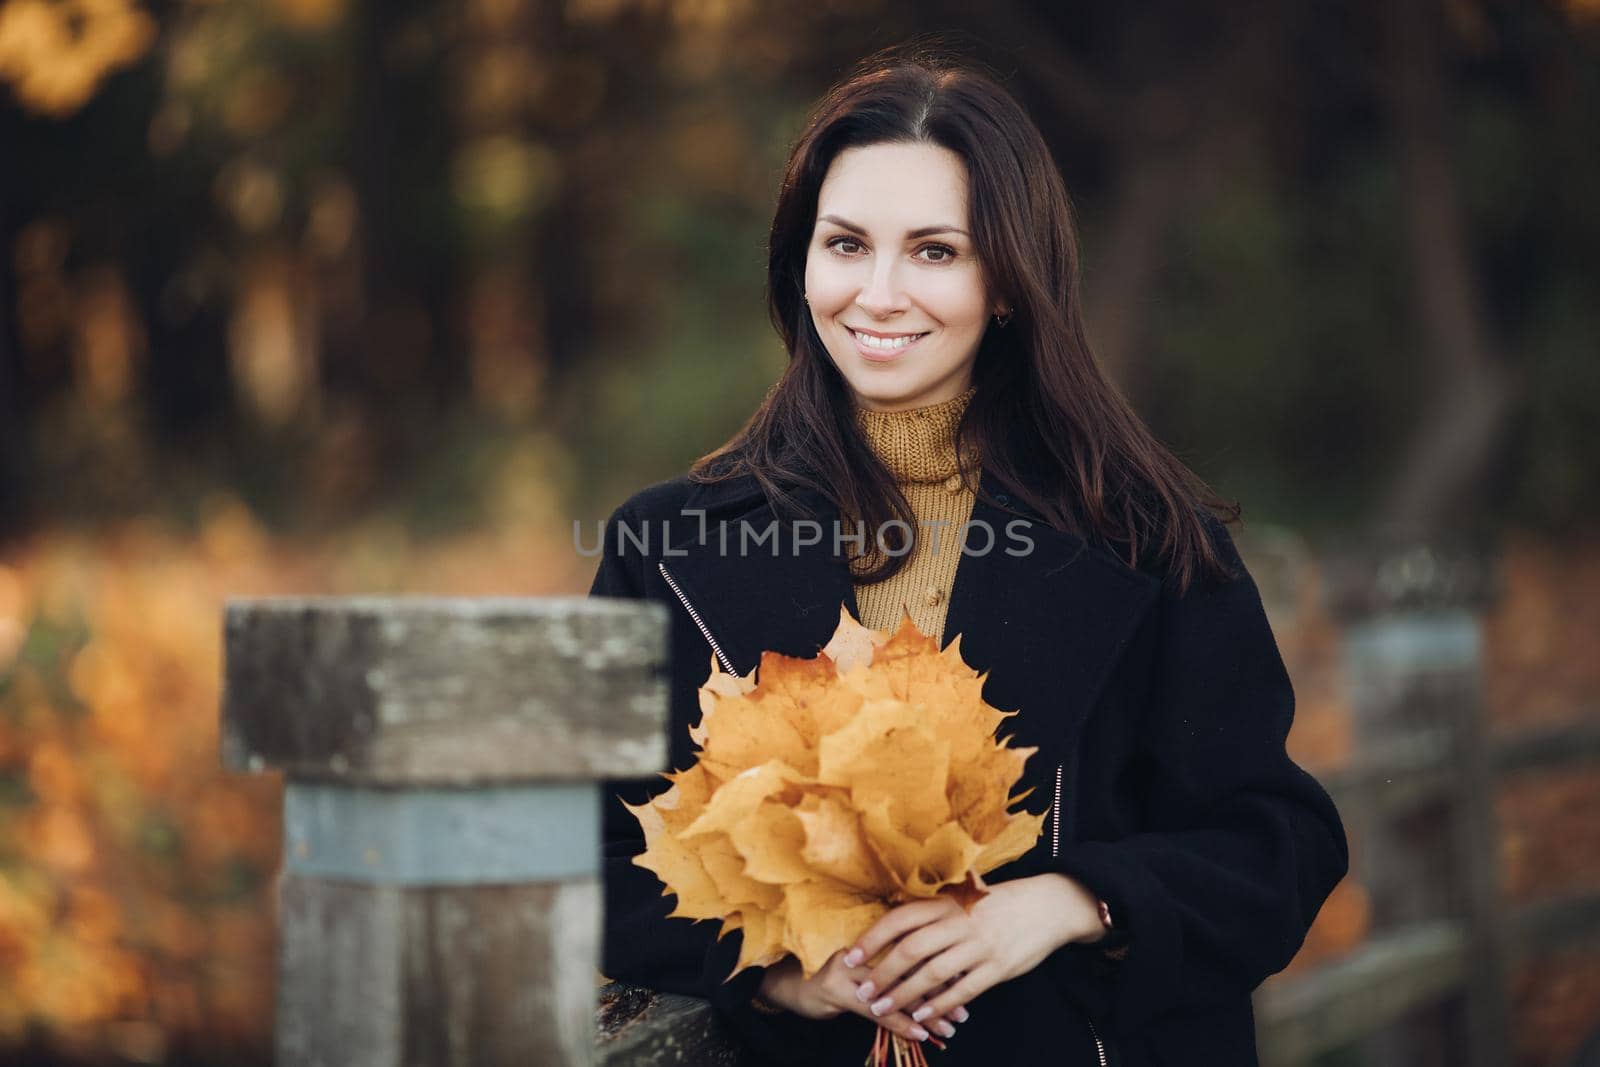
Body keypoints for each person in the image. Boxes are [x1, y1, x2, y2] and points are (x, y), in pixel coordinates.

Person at [589, 44, 1348, 1067]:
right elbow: (591, 857)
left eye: (935, 251)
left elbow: (1276, 844)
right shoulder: (663, 546)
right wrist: (773, 968)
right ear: (799, 262)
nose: (880, 292)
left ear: (1006, 282)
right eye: (846, 244)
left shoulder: (1149, 541)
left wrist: (1068, 900)